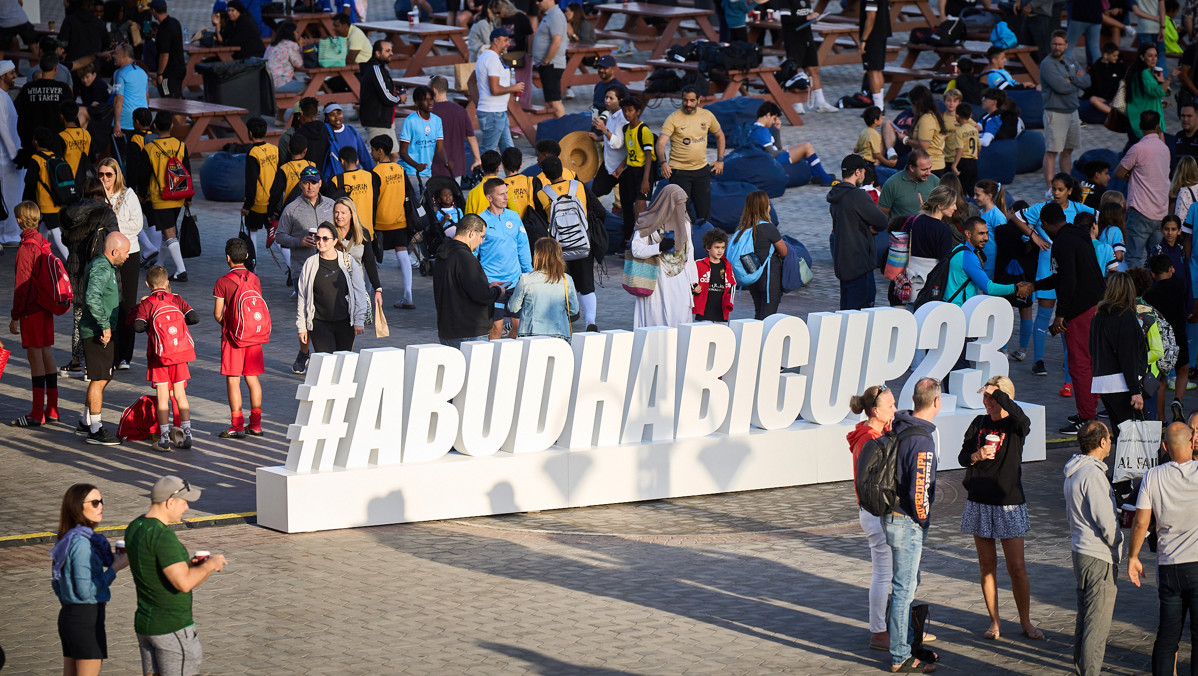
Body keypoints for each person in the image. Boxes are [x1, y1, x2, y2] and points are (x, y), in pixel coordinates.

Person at [958, 375, 1042, 641]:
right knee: (987, 565)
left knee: (1016, 567)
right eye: (984, 397)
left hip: (1008, 503)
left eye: (991, 398)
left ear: (1004, 399)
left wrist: (1001, 396)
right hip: (980, 501)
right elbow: (962, 456)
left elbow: (1024, 421)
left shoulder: (1015, 426)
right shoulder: (979, 423)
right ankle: (994, 622)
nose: (986, 402)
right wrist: (976, 455)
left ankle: (1026, 622)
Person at [125, 476, 227, 676]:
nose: (187, 508)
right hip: (172, 627)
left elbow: (156, 568)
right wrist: (211, 565)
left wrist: (193, 567)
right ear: (170, 502)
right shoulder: (163, 536)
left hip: (146, 624)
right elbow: (183, 583)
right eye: (184, 502)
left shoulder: (135, 527)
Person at [1128, 422, 1198, 675]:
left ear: (1165, 447)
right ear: (1192, 443)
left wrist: (1133, 556)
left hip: (1169, 567)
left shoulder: (1152, 476)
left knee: (1168, 636)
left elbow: (1141, 523)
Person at [884, 376, 942, 674]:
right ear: (936, 402)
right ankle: (900, 655)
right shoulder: (922, 439)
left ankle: (902, 643)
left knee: (902, 586)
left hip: (893, 515)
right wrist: (923, 520)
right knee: (904, 588)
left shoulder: (901, 426)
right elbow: (919, 490)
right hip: (907, 521)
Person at [1012, 175, 1096, 377]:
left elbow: (1101, 220)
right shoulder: (1042, 207)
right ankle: (1038, 361)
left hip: (1070, 266)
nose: (1056, 193)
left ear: (1069, 190)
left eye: (1060, 189)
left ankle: (1070, 365)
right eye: (1053, 189)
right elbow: (1015, 216)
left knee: (1068, 316)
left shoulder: (1079, 208)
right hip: (1047, 266)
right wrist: (1035, 236)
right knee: (1043, 313)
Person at [1064, 420, 1123, 676]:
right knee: (1096, 626)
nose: (1111, 442)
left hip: (1080, 551)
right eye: (1109, 438)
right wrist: (1119, 540)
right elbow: (1106, 522)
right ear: (1101, 442)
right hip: (1098, 556)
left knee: (1085, 619)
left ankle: (1082, 669)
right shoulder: (1093, 475)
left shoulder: (1075, 471)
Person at [51, 483, 127, 676]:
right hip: (86, 618)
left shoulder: (67, 538)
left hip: (70, 617)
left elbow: (56, 582)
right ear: (78, 507)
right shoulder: (82, 544)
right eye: (94, 502)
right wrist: (115, 568)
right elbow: (86, 590)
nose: (100, 506)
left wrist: (69, 600)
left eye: (101, 501)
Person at [847, 384, 897, 651]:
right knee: (883, 574)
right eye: (890, 406)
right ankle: (879, 632)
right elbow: (871, 483)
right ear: (876, 411)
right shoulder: (869, 440)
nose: (895, 410)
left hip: (876, 511)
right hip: (876, 512)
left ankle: (894, 627)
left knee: (887, 572)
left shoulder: (874, 434)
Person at [131, 266, 199, 451]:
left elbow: (137, 326)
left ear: (147, 284)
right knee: (180, 395)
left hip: (158, 356)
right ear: (167, 282)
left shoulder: (148, 303)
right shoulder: (176, 299)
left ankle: (163, 437)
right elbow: (194, 318)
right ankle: (187, 433)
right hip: (179, 355)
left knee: (162, 398)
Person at [275, 166, 335, 374]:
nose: (310, 186)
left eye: (314, 182)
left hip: (330, 268)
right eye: (306, 182)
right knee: (308, 313)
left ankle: (325, 353)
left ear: (320, 183)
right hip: (304, 269)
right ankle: (304, 351)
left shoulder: (331, 205)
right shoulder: (291, 208)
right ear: (300, 184)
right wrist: (299, 241)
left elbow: (342, 229)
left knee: (327, 312)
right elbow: (279, 236)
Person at [8, 202, 59, 428]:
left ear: (19, 220)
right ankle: (53, 408)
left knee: (34, 358)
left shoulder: (25, 247)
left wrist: (15, 315)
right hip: (46, 306)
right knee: (47, 353)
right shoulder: (42, 242)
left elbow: (22, 286)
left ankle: (36, 413)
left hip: (31, 309)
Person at [79, 232, 130, 446]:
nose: (128, 256)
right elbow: (92, 297)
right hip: (96, 332)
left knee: (103, 378)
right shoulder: (101, 267)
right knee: (98, 380)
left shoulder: (105, 265)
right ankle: (96, 429)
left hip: (99, 329)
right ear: (115, 251)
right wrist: (105, 325)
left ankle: (85, 420)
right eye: (126, 252)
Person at [213, 238, 266, 439]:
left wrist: (230, 327)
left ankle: (237, 425)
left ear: (228, 258)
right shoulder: (255, 279)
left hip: (233, 338)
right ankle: (256, 424)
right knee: (253, 379)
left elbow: (218, 313)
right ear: (246, 256)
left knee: (233, 381)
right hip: (253, 336)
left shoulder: (222, 282)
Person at [630, 184, 698, 328]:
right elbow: (636, 249)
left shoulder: (685, 223)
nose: (681, 207)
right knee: (656, 320)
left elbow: (689, 252)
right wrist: (659, 247)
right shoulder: (648, 222)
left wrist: (694, 281)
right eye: (678, 203)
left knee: (680, 321)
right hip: (657, 281)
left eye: (683, 204)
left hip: (680, 281)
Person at [98, 158, 144, 371]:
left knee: (127, 304)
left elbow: (137, 225)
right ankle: (110, 353)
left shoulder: (129, 194)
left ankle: (125, 355)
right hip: (105, 255)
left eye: (109, 174)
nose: (105, 179)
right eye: (101, 175)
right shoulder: (97, 196)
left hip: (128, 255)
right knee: (108, 303)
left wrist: (113, 224)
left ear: (117, 175)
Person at [433, 214, 506, 347]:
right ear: (472, 233)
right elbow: (481, 295)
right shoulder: (465, 258)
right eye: (481, 236)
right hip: (470, 332)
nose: (481, 241)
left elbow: (461, 287)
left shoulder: (442, 254)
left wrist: (487, 286)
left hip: (448, 330)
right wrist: (497, 291)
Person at [296, 222, 367, 354]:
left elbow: (360, 291)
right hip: (319, 323)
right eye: (317, 238)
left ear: (334, 241)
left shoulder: (348, 261)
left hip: (345, 323)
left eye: (325, 238)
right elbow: (302, 297)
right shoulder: (310, 263)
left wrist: (359, 319)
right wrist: (301, 327)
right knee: (327, 362)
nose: (320, 242)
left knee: (343, 362)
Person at [657, 87, 725, 223]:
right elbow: (660, 143)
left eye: (692, 100)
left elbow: (720, 136)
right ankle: (688, 238)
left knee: (704, 212)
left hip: (701, 170)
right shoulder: (673, 118)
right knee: (682, 211)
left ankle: (703, 239)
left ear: (699, 100)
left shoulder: (707, 115)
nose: (688, 104)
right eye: (685, 100)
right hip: (679, 171)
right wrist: (663, 163)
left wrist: (720, 160)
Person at [829, 154, 888, 310]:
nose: (864, 175)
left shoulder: (835, 195)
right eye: (863, 171)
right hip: (860, 262)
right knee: (862, 312)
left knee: (846, 310)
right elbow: (882, 221)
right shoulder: (858, 196)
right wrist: (873, 228)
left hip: (843, 262)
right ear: (857, 172)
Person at [478, 177, 532, 338]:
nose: (506, 197)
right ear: (489, 198)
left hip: (515, 282)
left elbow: (523, 246)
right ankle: (493, 361)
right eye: (501, 194)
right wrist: (481, 281)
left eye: (506, 193)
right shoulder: (481, 221)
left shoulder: (514, 216)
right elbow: (473, 253)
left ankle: (508, 357)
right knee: (496, 327)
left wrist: (529, 274)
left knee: (518, 326)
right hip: (493, 284)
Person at [1116, 111, 1172, 268]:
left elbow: (1119, 172)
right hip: (1160, 212)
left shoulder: (1138, 149)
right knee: (1156, 261)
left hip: (1140, 211)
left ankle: (1136, 292)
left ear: (1140, 126)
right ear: (1158, 126)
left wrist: (1132, 175)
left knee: (1134, 257)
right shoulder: (1165, 149)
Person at [369, 136, 417, 309]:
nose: (371, 152)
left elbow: (372, 201)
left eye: (372, 149)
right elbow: (409, 194)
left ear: (380, 151)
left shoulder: (375, 173)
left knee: (371, 257)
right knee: (402, 254)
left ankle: (368, 297)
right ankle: (408, 295)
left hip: (380, 223)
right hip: (400, 221)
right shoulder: (399, 169)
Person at [1041, 30, 1091, 190]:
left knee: (1068, 149)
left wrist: (1072, 80)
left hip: (1073, 111)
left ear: (1066, 45)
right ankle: (1050, 187)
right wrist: (1075, 83)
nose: (1057, 47)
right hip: (1055, 112)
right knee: (1052, 151)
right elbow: (1060, 86)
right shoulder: (1047, 64)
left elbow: (1087, 81)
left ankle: (1067, 183)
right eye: (1054, 44)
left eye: (1060, 44)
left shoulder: (1071, 61)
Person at [144, 112, 191, 282]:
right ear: (171, 126)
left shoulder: (149, 149)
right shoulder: (181, 145)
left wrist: (142, 194)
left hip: (160, 196)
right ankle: (160, 264)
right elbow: (187, 169)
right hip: (178, 195)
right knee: (167, 231)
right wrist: (189, 197)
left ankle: (181, 270)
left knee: (169, 231)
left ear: (154, 126)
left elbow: (144, 175)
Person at [1146, 252, 1192, 421]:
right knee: (1183, 371)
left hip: (1160, 341)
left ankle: (1161, 419)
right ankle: (1178, 401)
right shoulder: (1179, 285)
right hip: (1178, 337)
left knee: (1160, 381)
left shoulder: (1150, 294)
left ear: (1153, 274)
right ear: (1171, 269)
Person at [507, 237, 579, 340]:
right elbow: (573, 310)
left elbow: (513, 307)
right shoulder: (566, 279)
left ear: (537, 256)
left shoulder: (525, 279)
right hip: (559, 335)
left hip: (530, 335)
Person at [948, 218, 1032, 306]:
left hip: (956, 306)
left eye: (987, 233)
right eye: (981, 233)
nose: (986, 238)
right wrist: (1015, 288)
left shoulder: (959, 248)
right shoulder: (969, 256)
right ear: (968, 234)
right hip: (960, 308)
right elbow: (988, 288)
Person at [731, 191, 787, 319]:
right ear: (764, 207)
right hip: (769, 279)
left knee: (759, 313)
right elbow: (785, 252)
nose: (770, 207)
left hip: (753, 277)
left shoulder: (743, 228)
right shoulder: (768, 228)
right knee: (768, 317)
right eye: (768, 204)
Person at [750, 101, 834, 185]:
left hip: (769, 159)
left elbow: (778, 147)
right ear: (768, 115)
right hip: (773, 161)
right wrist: (786, 152)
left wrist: (777, 130)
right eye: (774, 118)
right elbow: (773, 154)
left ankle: (816, 175)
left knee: (797, 149)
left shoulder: (755, 128)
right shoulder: (761, 131)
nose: (774, 122)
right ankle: (825, 178)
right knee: (807, 147)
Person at [23, 127, 71, 261]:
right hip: (58, 199)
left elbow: (30, 182)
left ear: (36, 142)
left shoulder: (36, 159)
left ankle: (70, 260)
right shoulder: (56, 156)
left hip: (45, 202)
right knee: (43, 227)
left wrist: (25, 201)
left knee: (56, 233)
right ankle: (38, 256)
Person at [475, 27, 523, 154]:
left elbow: (470, 81)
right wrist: (514, 88)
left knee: (509, 151)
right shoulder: (492, 59)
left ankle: (513, 174)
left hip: (497, 111)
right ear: (495, 41)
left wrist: (479, 102)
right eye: (505, 40)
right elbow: (495, 89)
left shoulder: (485, 56)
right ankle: (477, 173)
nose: (508, 43)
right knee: (488, 152)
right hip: (493, 113)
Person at [616, 97, 656, 249]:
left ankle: (643, 242)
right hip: (630, 172)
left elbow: (648, 156)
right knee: (630, 208)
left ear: (638, 112)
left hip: (643, 172)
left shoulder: (644, 130)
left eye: (630, 110)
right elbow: (631, 151)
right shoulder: (627, 129)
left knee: (640, 209)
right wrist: (621, 166)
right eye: (624, 110)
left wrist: (645, 180)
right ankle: (632, 241)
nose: (627, 114)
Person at [904, 185, 958, 300]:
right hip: (932, 283)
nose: (955, 207)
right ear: (940, 205)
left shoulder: (913, 221)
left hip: (910, 278)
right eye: (952, 204)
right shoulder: (943, 230)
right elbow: (944, 262)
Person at [332, 197, 383, 313]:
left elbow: (369, 263)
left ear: (351, 214)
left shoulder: (362, 233)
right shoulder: (329, 232)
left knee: (355, 325)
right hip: (333, 288)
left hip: (356, 287)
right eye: (336, 212)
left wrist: (377, 289)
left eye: (343, 213)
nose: (339, 216)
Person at [15, 55, 73, 157]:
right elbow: (70, 117)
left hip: (33, 144)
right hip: (57, 145)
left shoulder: (27, 88)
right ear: (56, 68)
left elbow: (21, 118)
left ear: (41, 67)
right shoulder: (64, 89)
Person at [359, 40, 404, 158]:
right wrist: (399, 98)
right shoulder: (376, 69)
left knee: (394, 155)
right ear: (377, 53)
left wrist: (396, 95)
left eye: (391, 50)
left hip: (384, 119)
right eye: (387, 51)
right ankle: (374, 176)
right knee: (376, 156)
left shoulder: (380, 68)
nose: (391, 53)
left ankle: (386, 176)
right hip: (376, 121)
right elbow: (386, 96)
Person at [431, 75, 481, 181]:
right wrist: (477, 159)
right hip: (456, 165)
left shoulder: (429, 112)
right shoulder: (460, 110)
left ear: (434, 90)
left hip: (435, 165)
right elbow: (471, 137)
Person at [241, 117, 278, 257]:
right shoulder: (275, 149)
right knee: (276, 235)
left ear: (250, 133)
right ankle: (291, 267)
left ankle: (253, 268)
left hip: (257, 203)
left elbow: (251, 182)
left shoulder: (252, 153)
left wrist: (247, 205)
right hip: (273, 201)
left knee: (252, 233)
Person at [324, 147, 380, 237]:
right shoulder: (370, 176)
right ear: (357, 161)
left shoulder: (336, 180)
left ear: (342, 161)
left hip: (347, 232)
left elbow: (331, 207)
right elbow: (375, 202)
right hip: (368, 230)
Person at [107, 44, 148, 167]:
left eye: (116, 53)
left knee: (119, 157)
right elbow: (146, 97)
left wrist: (117, 122)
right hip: (141, 120)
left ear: (124, 55)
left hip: (125, 121)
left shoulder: (119, 73)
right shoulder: (143, 73)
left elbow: (118, 98)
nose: (113, 56)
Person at [1125, 42, 1174, 140]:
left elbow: (1146, 95)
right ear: (1142, 57)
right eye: (1150, 56)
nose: (1154, 59)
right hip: (1149, 122)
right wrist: (1169, 78)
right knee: (1159, 150)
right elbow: (1158, 92)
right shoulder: (1144, 73)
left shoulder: (1137, 72)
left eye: (1155, 56)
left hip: (1140, 119)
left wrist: (1160, 102)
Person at [399, 86, 446, 180]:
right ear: (417, 102)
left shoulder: (437, 120)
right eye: (425, 100)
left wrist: (446, 162)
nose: (430, 103)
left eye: (431, 99)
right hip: (411, 171)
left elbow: (440, 148)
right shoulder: (410, 121)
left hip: (427, 172)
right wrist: (416, 165)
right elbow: (403, 152)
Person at [532, 0, 569, 118]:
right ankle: (555, 130)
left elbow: (556, 42)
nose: (538, 3)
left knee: (555, 101)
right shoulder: (549, 15)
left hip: (552, 65)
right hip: (548, 65)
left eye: (540, 0)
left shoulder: (556, 15)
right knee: (550, 102)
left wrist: (546, 61)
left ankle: (565, 133)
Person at [878, 149, 939, 219]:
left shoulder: (935, 181)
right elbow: (883, 212)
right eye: (924, 170)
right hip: (900, 229)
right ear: (912, 168)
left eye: (930, 168)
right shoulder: (892, 184)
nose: (928, 173)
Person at [590, 84, 627, 198]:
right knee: (596, 190)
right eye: (606, 97)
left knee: (625, 198)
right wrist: (598, 138)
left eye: (611, 98)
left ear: (620, 100)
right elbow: (611, 135)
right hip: (609, 163)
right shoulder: (610, 113)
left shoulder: (624, 118)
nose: (607, 101)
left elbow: (618, 143)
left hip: (622, 166)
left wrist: (604, 129)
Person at [691, 228, 736, 322]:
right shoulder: (698, 264)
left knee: (721, 336)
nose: (720, 251)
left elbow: (733, 285)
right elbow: (690, 281)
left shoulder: (727, 266)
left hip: (721, 313)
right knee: (702, 336)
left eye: (723, 247)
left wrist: (729, 303)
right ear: (708, 247)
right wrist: (693, 288)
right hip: (703, 313)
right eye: (717, 247)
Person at [0, 60, 22, 246]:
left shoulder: (4, 96)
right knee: (8, 197)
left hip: (10, 158)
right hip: (6, 159)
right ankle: (7, 235)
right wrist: (14, 154)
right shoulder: (0, 97)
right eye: (12, 73)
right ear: (3, 76)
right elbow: (2, 129)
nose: (15, 76)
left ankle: (11, 233)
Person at [323, 103, 374, 182]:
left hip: (355, 179)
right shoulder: (325, 134)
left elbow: (363, 154)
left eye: (339, 113)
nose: (337, 117)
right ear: (327, 118)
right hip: (336, 181)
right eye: (332, 115)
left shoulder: (352, 130)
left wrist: (372, 173)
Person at [904, 86, 947, 175]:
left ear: (917, 103)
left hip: (931, 167)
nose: (911, 106)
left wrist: (905, 140)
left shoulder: (927, 119)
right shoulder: (931, 116)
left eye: (912, 103)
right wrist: (910, 135)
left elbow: (923, 145)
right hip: (932, 165)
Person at [858, 0, 891, 111]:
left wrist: (864, 39)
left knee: (872, 71)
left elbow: (871, 17)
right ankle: (880, 105)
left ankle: (878, 107)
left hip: (873, 35)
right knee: (878, 70)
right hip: (881, 33)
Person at [149, 1, 185, 98]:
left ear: (154, 11)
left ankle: (171, 113)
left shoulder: (163, 29)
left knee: (167, 97)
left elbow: (164, 55)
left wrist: (160, 74)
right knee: (176, 95)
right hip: (180, 68)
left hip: (168, 74)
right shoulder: (175, 22)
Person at [1082, 43, 1126, 118]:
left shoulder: (1120, 66)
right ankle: (1115, 116)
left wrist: (1116, 97)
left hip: (1116, 99)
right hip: (1102, 100)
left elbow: (1124, 83)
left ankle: (1114, 116)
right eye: (1114, 56)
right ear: (1105, 55)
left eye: (1117, 55)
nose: (1117, 58)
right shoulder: (1095, 68)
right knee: (1093, 100)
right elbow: (1091, 87)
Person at [856, 106, 898, 182]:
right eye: (881, 118)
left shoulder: (863, 132)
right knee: (871, 184)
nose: (882, 120)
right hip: (869, 164)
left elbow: (856, 149)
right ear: (876, 120)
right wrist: (888, 163)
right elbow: (876, 154)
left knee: (875, 185)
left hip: (861, 162)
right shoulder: (874, 134)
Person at [265, 22, 306, 96]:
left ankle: (283, 106)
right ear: (292, 33)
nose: (298, 35)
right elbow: (299, 64)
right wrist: (300, 47)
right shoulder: (291, 44)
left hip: (267, 84)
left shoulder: (271, 45)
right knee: (308, 87)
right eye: (296, 32)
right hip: (280, 84)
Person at [951, 103, 980, 194]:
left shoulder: (960, 131)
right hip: (973, 161)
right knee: (972, 189)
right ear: (970, 115)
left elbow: (960, 149)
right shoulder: (974, 130)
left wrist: (954, 165)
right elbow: (979, 146)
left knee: (961, 189)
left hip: (964, 161)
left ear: (957, 115)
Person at [466, 150, 503, 214]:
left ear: (482, 167)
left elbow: (468, 219)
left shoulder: (473, 193)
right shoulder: (506, 188)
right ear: (498, 168)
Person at [502, 147, 535, 218]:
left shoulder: (500, 185)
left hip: (511, 224)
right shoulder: (530, 180)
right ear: (521, 165)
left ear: (502, 165)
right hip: (530, 223)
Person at [1174, 111, 1198, 175]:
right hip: (1181, 181)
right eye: (1183, 116)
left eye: (1189, 116)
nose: (1185, 119)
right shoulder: (1179, 135)